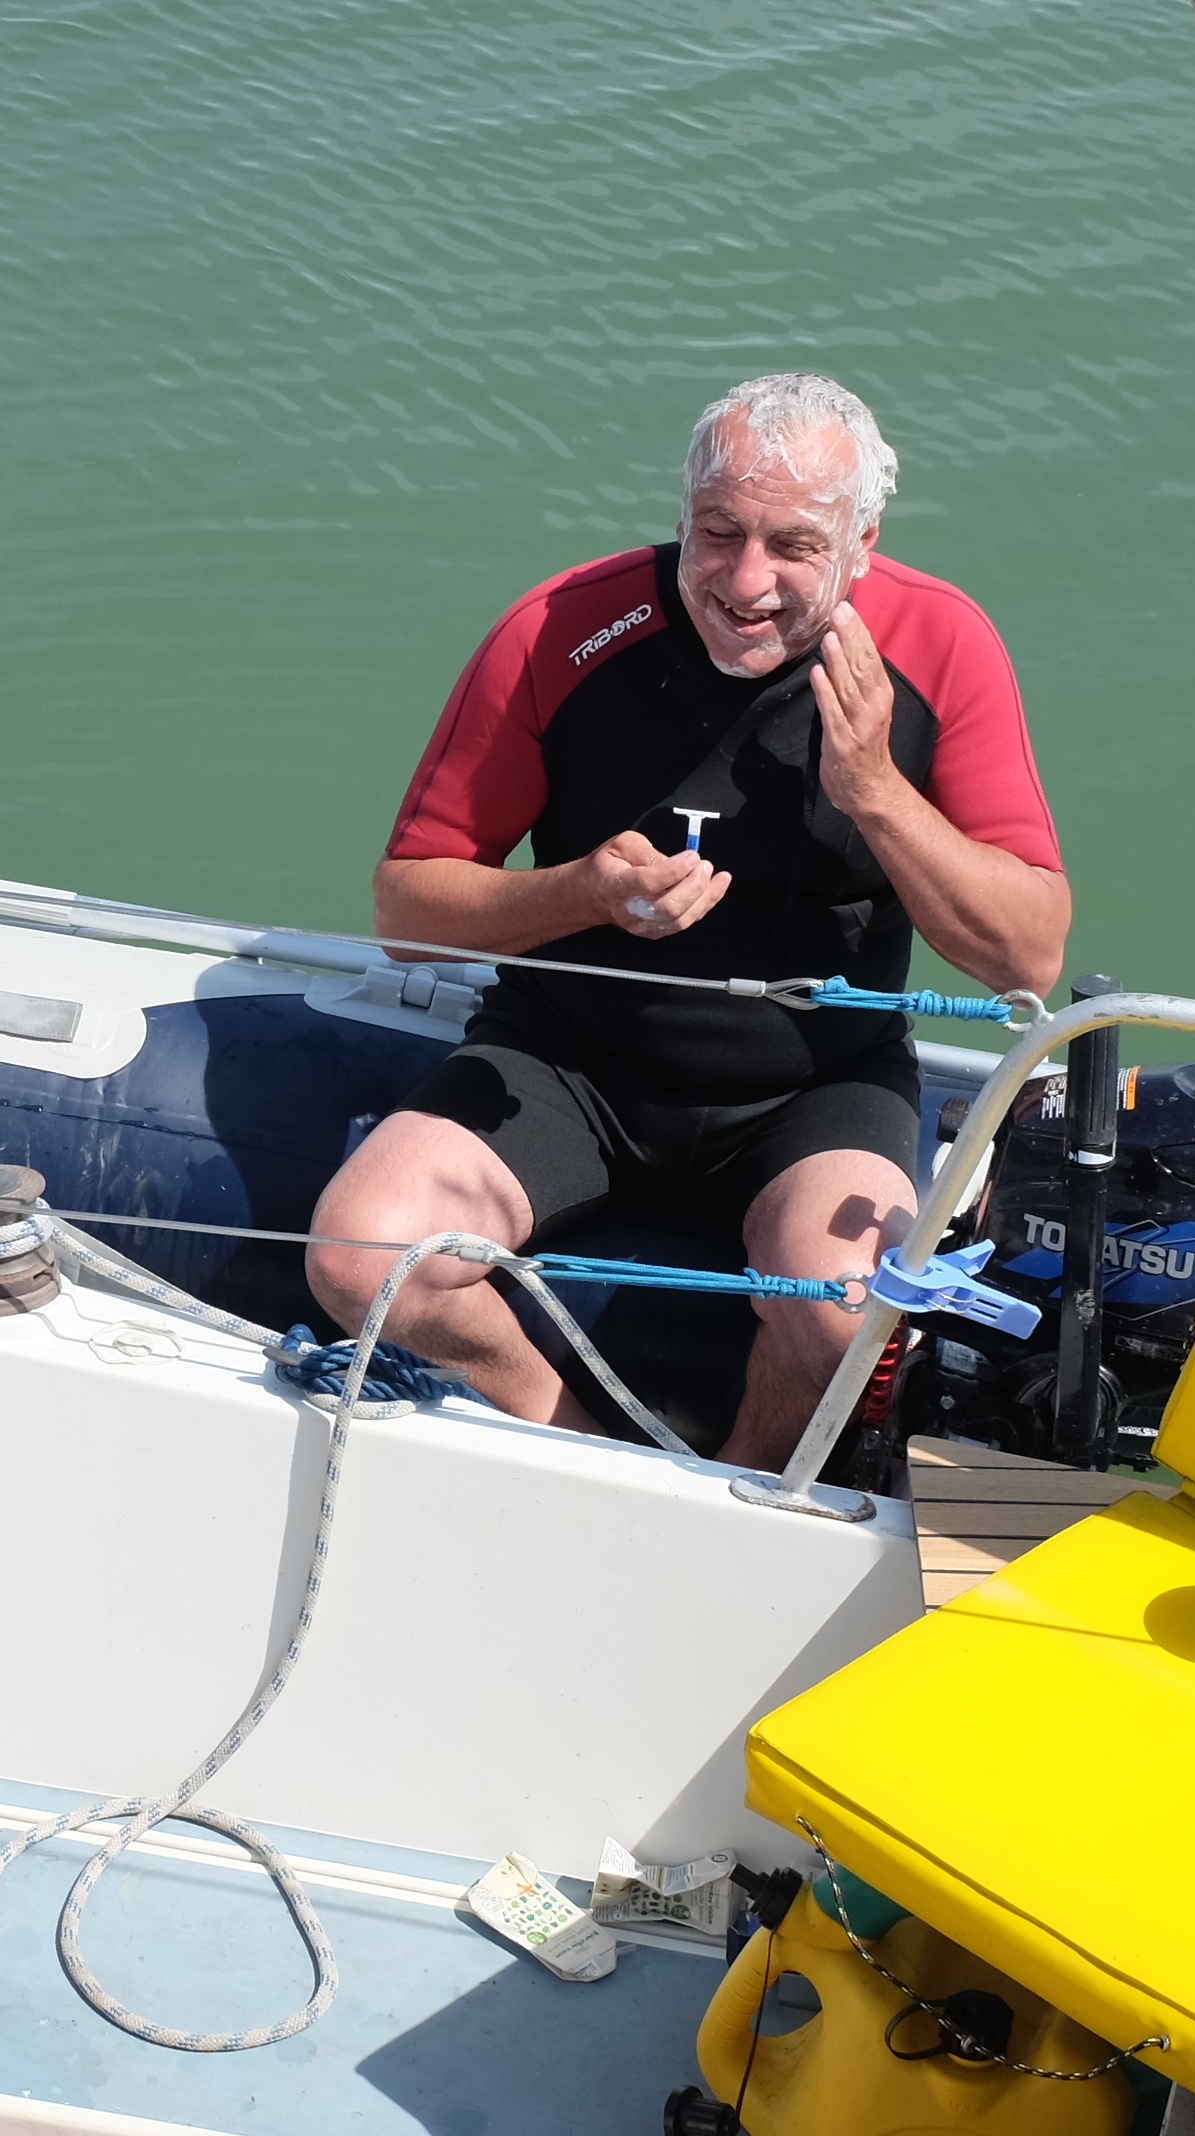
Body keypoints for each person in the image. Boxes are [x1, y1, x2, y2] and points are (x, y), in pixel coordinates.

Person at [308, 374, 1069, 1471]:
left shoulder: (941, 644)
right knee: (357, 1254)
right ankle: (578, 1451)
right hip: (568, 1058)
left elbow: (1028, 956)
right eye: (718, 532)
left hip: (814, 1085)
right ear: (682, 515)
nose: (745, 581)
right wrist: (578, 892)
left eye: (793, 546)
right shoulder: (564, 629)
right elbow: (407, 909)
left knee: (847, 1319)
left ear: (862, 545)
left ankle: (733, 1487)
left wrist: (875, 790)